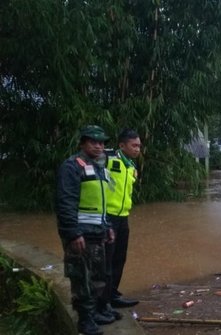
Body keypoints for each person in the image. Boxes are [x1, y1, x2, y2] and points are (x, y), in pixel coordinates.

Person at [56, 125, 117, 335]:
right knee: (82, 278)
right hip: (80, 234)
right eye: (93, 142)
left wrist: (108, 226)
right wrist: (73, 232)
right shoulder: (72, 166)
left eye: (101, 142)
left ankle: (94, 313)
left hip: (98, 231)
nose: (99, 146)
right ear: (83, 143)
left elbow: (102, 202)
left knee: (98, 277)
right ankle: (84, 320)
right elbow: (65, 202)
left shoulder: (100, 168)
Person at [104, 129, 141, 308]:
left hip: (123, 217)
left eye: (139, 146)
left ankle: (113, 295)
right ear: (121, 145)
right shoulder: (108, 159)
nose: (137, 149)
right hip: (107, 217)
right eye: (133, 145)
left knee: (119, 258)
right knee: (106, 259)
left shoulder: (131, 166)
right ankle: (102, 300)